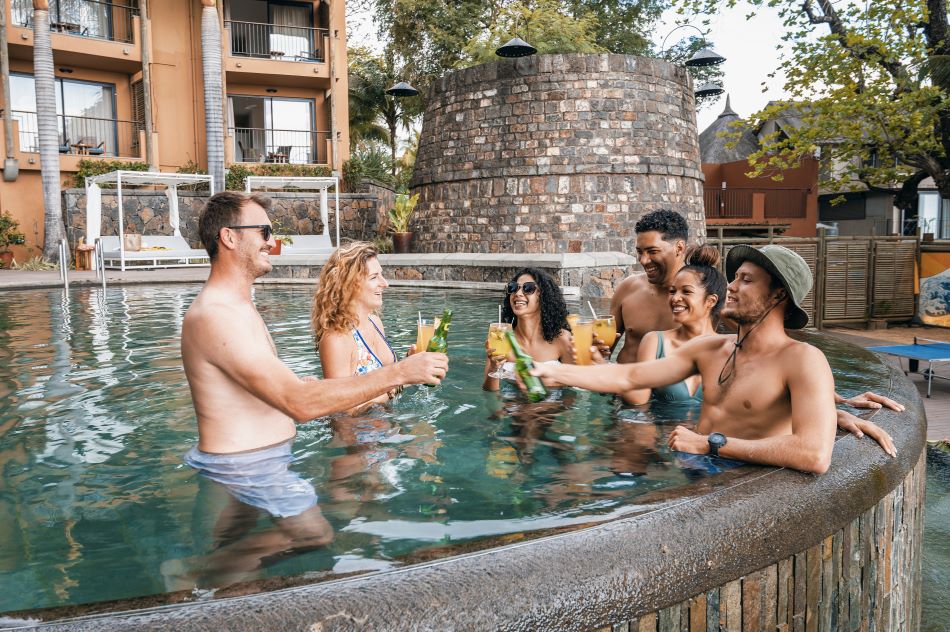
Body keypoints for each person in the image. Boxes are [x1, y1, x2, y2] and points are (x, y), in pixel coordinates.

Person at [179, 192, 447, 557]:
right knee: (314, 534)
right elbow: (298, 404)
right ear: (229, 237)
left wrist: (306, 387)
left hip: (256, 462)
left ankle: (204, 580)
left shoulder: (237, 308)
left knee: (232, 561)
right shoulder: (216, 315)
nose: (271, 242)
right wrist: (400, 373)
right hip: (243, 467)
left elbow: (272, 392)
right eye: (264, 231)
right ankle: (190, 577)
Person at [531, 244, 900, 474]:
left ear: (777, 296)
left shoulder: (803, 360)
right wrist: (556, 370)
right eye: (734, 278)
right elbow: (630, 377)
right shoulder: (712, 349)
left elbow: (814, 454)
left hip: (740, 481)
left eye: (745, 280)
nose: (732, 287)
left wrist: (712, 443)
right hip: (693, 469)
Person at [621, 244, 725, 406]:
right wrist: (601, 365)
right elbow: (638, 399)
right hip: (662, 430)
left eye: (686, 291)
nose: (675, 298)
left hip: (709, 432)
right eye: (672, 291)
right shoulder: (655, 341)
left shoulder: (729, 349)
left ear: (710, 301)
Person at [312, 241, 401, 412]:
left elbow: (389, 378)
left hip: (388, 424)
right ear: (349, 285)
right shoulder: (337, 338)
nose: (385, 283)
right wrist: (400, 381)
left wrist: (412, 364)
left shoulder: (375, 322)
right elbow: (343, 409)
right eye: (374, 277)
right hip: (359, 435)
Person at [609, 209, 688, 363]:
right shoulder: (628, 288)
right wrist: (594, 348)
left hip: (672, 385)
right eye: (640, 252)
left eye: (652, 251)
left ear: (679, 248)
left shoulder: (705, 292)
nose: (643, 261)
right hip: (621, 382)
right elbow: (604, 350)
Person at [483, 267, 574, 392]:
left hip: (552, 409)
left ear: (543, 296)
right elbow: (489, 392)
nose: (518, 293)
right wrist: (494, 368)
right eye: (513, 288)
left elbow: (573, 390)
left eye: (528, 288)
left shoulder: (562, 339)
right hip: (511, 408)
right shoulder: (500, 338)